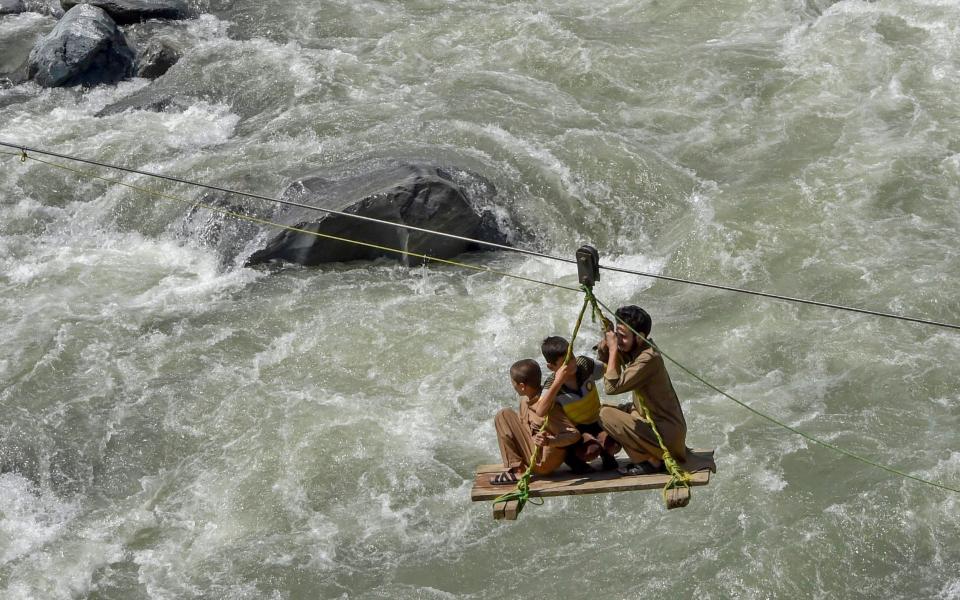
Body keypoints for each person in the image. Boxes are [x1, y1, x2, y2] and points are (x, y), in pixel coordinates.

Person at [597, 305, 688, 476]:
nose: (619, 340)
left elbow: (611, 386)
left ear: (640, 337)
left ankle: (649, 461)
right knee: (616, 408)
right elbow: (610, 362)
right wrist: (608, 341)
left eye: (623, 337)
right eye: (618, 334)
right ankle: (618, 448)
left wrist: (614, 348)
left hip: (667, 438)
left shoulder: (648, 358)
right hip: (659, 425)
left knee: (604, 414)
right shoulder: (638, 348)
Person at [489, 358, 582, 484]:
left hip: (542, 462)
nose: (513, 386)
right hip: (535, 452)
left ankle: (517, 471)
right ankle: (518, 465)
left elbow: (574, 434)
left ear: (522, 386)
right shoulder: (526, 399)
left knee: (503, 416)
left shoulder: (546, 407)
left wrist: (550, 441)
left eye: (513, 383)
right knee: (508, 414)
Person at [540, 336, 621, 472]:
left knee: (613, 444)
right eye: (565, 362)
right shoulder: (552, 384)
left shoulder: (584, 364)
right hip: (577, 430)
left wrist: (611, 349)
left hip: (597, 420)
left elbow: (608, 369)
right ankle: (574, 461)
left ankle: (607, 456)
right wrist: (558, 382)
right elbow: (540, 411)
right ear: (551, 367)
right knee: (591, 451)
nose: (572, 364)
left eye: (572, 357)